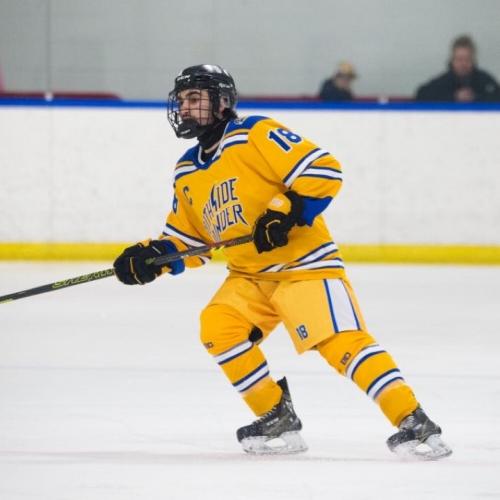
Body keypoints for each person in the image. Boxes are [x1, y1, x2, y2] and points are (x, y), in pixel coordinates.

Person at [113, 64, 452, 459]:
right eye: (182, 100)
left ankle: (412, 420)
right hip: (249, 277)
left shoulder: (255, 133)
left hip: (304, 266)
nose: (185, 108)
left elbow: (323, 169)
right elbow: (191, 241)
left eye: (195, 98)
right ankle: (276, 415)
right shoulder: (187, 169)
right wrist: (153, 255)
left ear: (222, 102)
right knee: (218, 326)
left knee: (340, 343)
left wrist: (286, 210)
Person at [416, 35, 500, 102]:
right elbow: (421, 95)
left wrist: (475, 98)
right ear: (452, 60)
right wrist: (453, 97)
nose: (463, 64)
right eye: (459, 59)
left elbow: (496, 96)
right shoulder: (443, 81)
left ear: (473, 60)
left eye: (467, 59)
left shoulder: (484, 80)